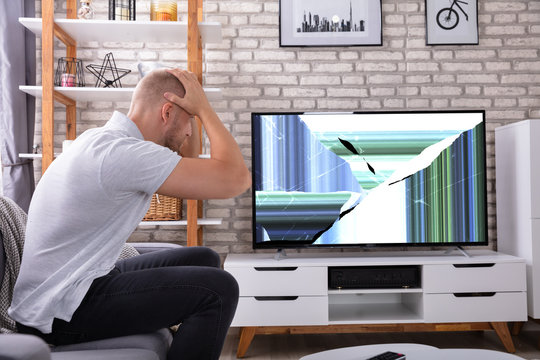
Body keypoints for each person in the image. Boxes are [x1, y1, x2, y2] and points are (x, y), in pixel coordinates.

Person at [8, 68, 251, 360]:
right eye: (189, 122)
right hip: (59, 311)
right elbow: (236, 179)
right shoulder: (124, 154)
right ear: (167, 112)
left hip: (70, 285)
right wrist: (206, 109)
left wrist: (193, 112)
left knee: (205, 259)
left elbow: (194, 165)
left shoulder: (105, 139)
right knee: (219, 290)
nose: (189, 132)